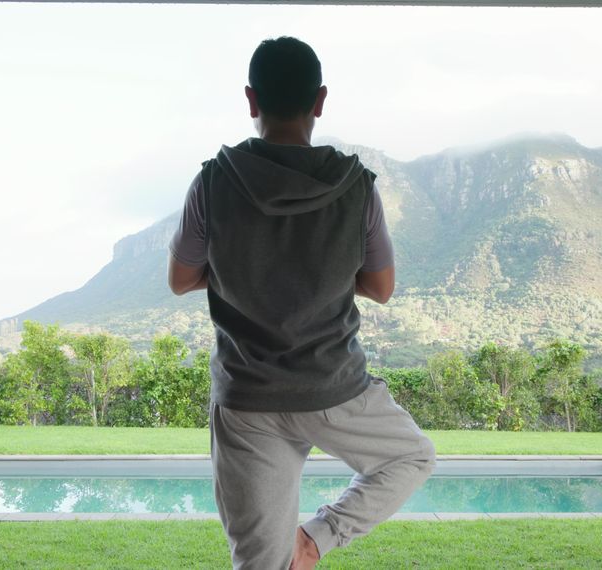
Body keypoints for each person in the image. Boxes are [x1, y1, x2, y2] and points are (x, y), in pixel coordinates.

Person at [167, 36, 436, 570]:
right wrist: (324, 276)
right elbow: (381, 288)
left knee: (259, 564)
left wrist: (245, 273)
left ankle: (303, 546)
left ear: (251, 100)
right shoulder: (357, 186)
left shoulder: (214, 181)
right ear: (320, 100)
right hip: (334, 389)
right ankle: (317, 540)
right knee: (411, 456)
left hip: (248, 402)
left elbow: (181, 280)